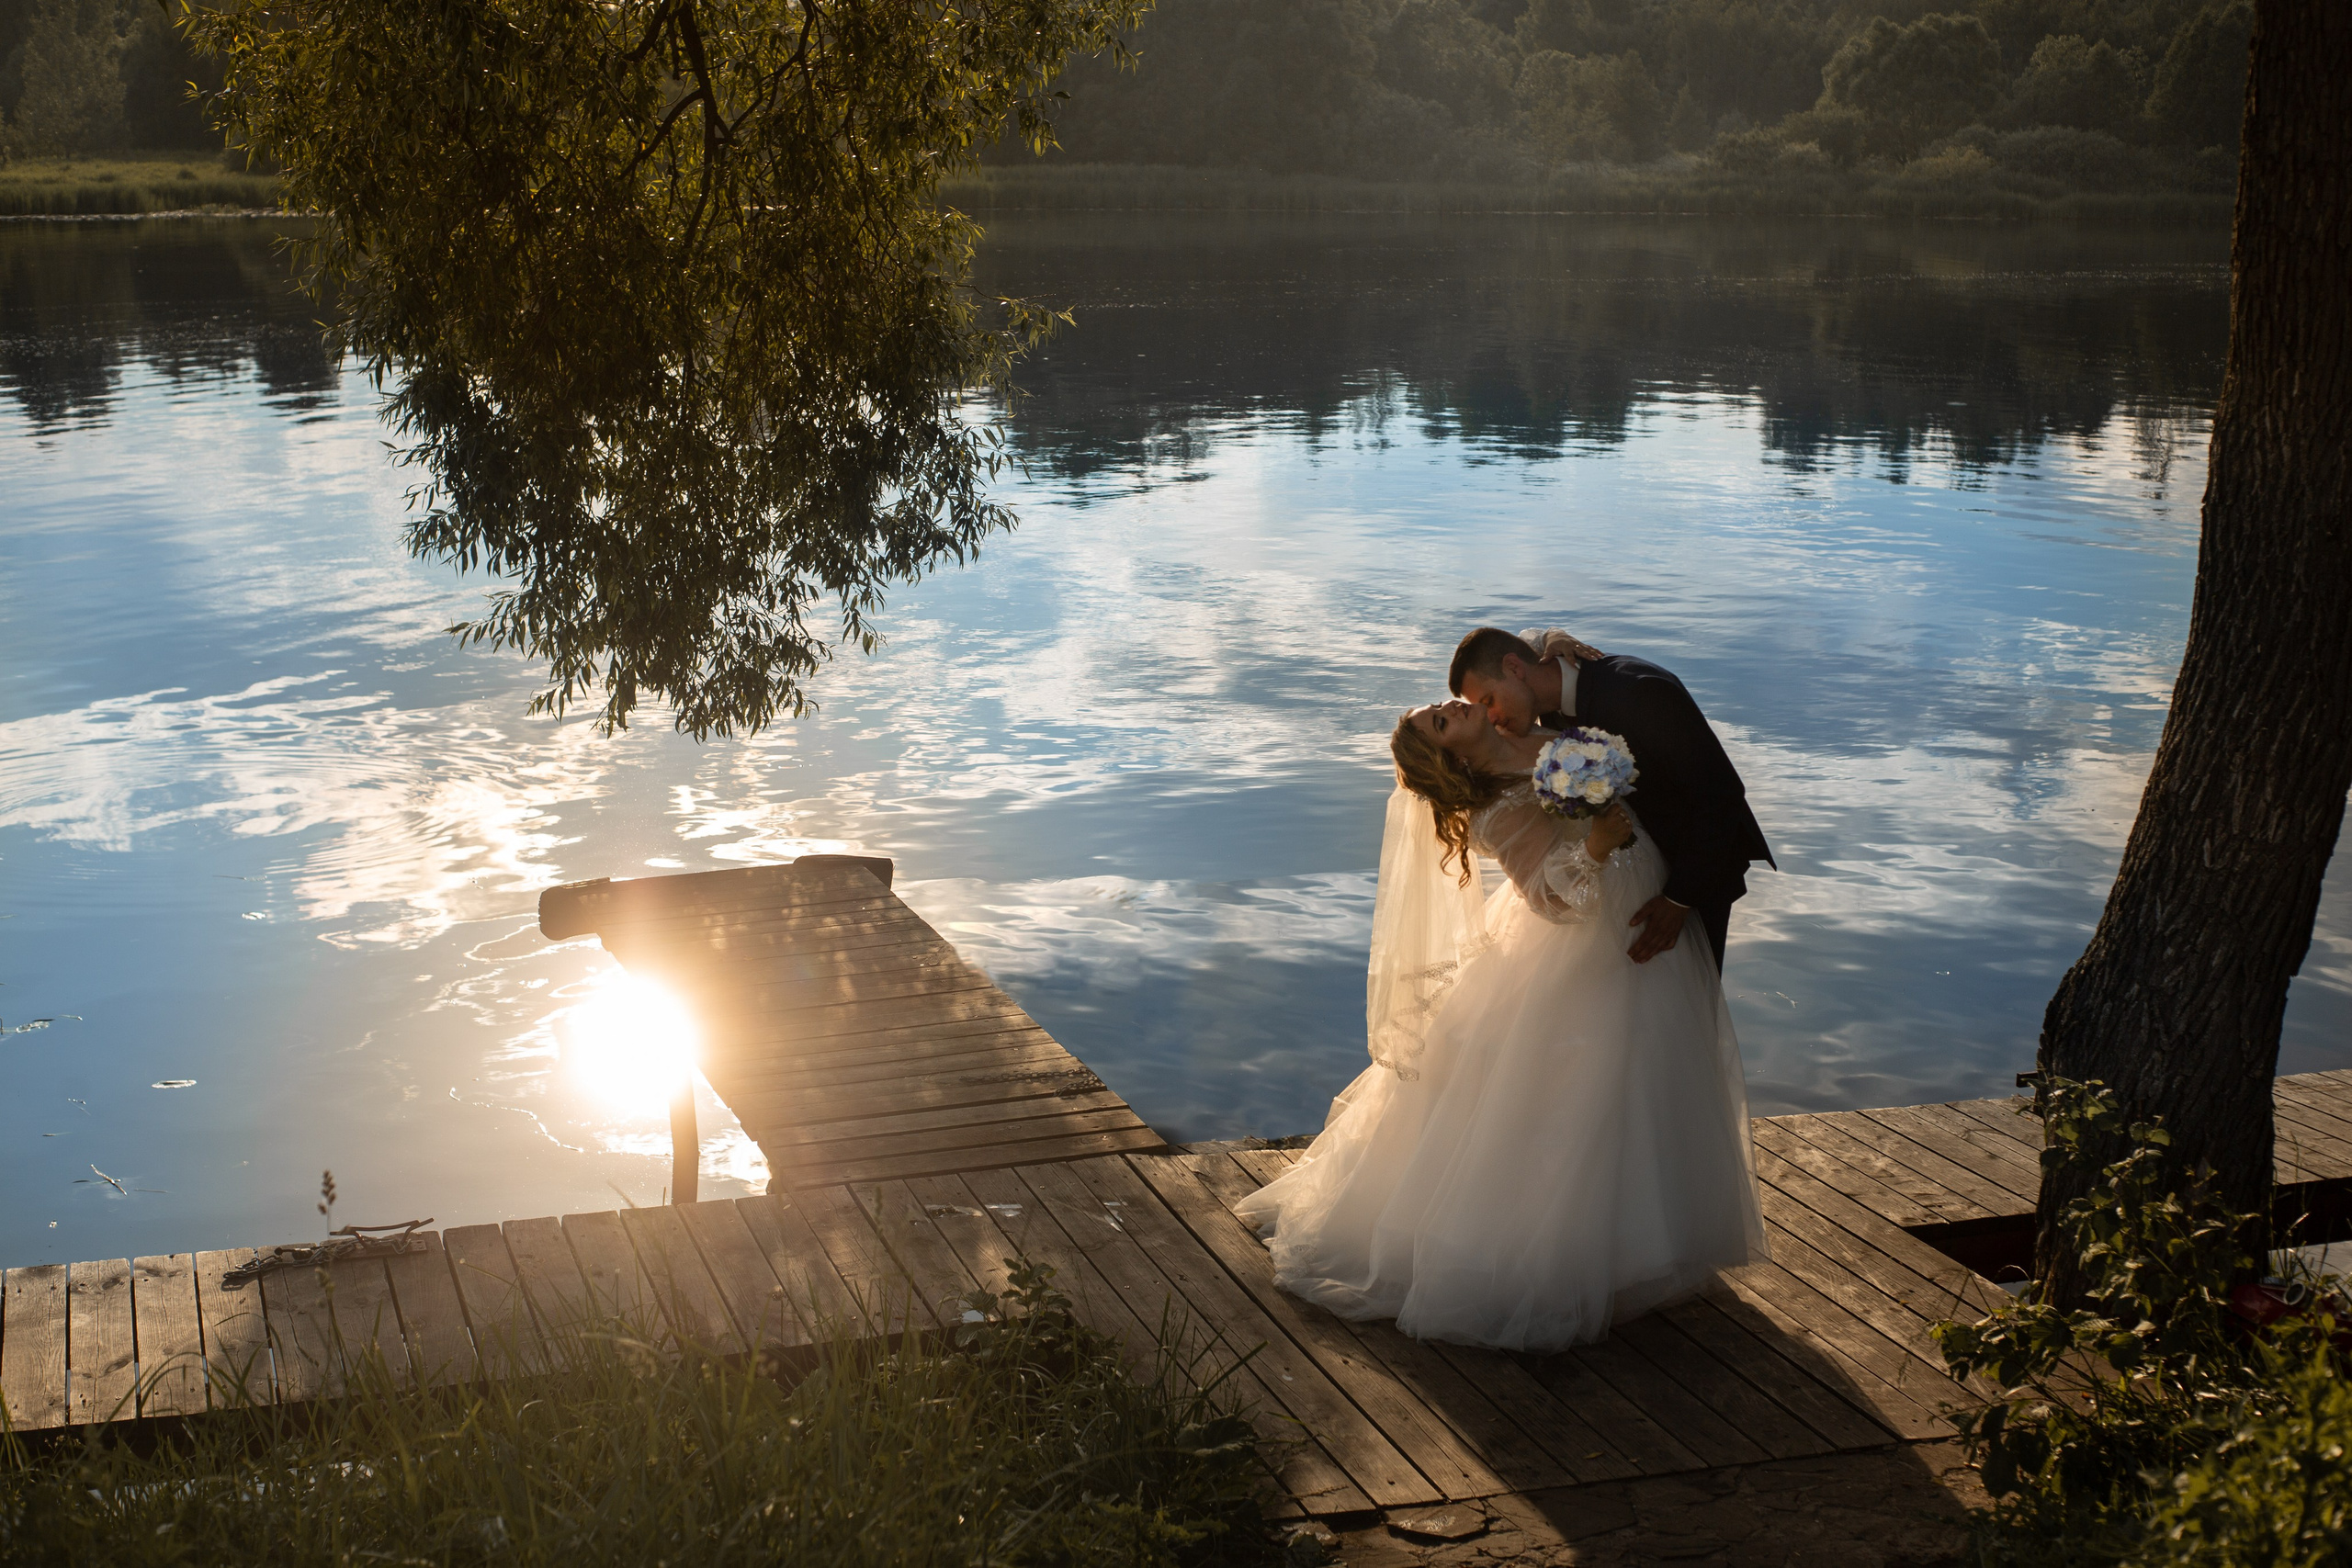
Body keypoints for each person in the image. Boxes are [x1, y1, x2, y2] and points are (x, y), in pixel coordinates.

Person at [1232, 694, 1766, 1351]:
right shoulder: (1491, 811)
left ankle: (1641, 1242)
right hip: (1584, 941)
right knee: (1575, 1087)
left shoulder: (1524, 731)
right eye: (1439, 720)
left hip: (1642, 901)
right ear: (1448, 752)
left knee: (1643, 1074)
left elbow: (1527, 662)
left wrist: (1552, 647)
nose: (1448, 706)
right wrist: (1597, 844)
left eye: (1439, 705)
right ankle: (1555, 1254)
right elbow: (1548, 897)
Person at [1450, 628, 1772, 972]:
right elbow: (1525, 641)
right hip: (1630, 879)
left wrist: (1679, 900)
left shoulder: (1637, 693)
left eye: (1488, 701)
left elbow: (1720, 796)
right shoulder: (1543, 702)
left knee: (1687, 995)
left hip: (1695, 869)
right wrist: (1549, 635)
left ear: (1515, 668)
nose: (1491, 718)